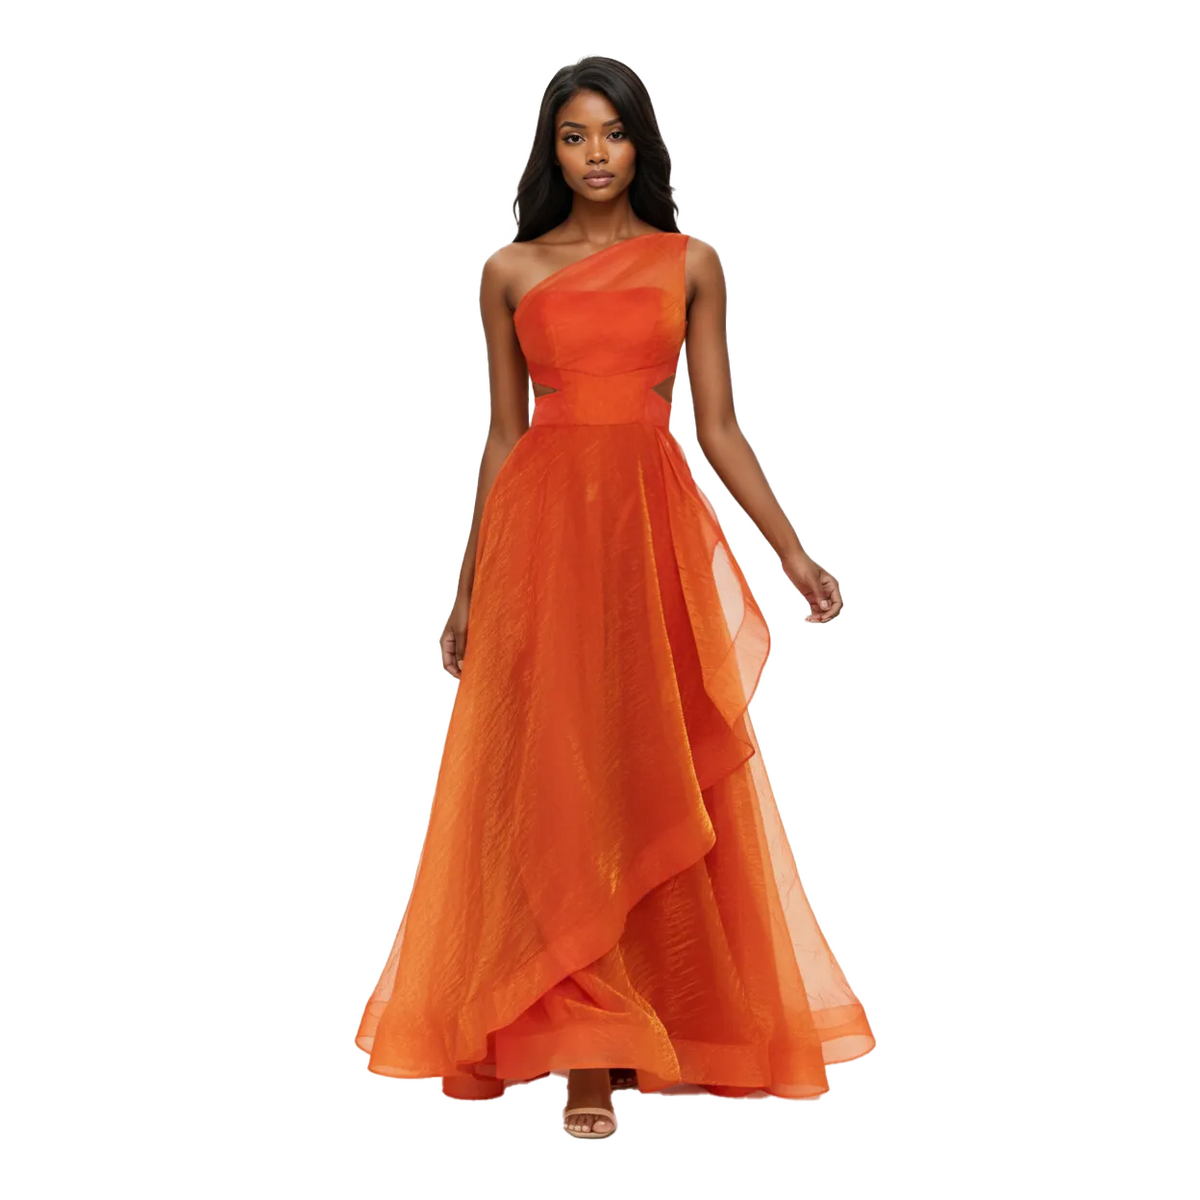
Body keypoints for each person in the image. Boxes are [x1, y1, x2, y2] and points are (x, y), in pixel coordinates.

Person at [355, 55, 875, 1140]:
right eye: (574, 136)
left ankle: (659, 1019)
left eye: (613, 133)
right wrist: (466, 590)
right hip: (543, 543)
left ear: (643, 143)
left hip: (650, 536)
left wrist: (791, 550)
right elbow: (503, 437)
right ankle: (584, 1055)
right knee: (557, 774)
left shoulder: (691, 264)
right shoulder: (509, 270)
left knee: (649, 763)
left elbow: (718, 425)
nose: (595, 154)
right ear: (550, 151)